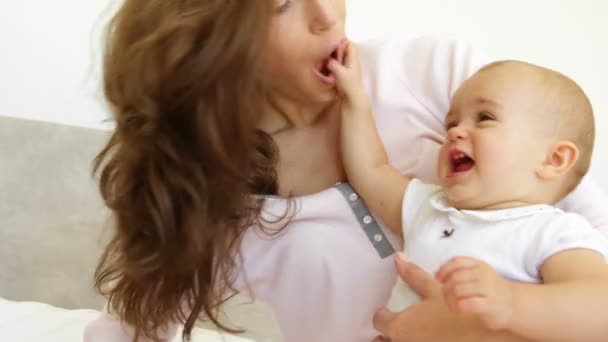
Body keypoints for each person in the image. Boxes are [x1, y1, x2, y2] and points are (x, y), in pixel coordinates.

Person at [84, 0, 608, 341]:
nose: (328, 16)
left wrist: (491, 321)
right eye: (284, 5)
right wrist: (356, 103)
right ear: (216, 54)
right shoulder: (211, 199)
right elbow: (375, 174)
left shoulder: (448, 80)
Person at [330, 47, 608, 340]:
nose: (454, 132)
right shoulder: (430, 208)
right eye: (451, 123)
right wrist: (354, 98)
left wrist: (510, 304)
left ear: (554, 160)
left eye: (485, 117)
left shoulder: (553, 231)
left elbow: (599, 308)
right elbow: (371, 170)